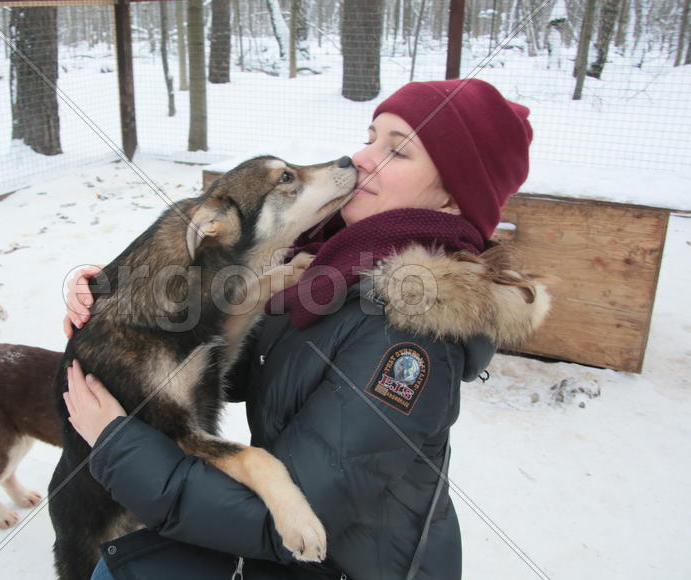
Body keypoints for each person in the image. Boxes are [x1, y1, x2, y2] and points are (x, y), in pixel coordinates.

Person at [62, 78, 550, 580]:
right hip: (289, 546)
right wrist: (126, 316)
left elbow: (284, 519)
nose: (362, 157)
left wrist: (116, 444)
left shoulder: (407, 334)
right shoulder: (333, 271)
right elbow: (244, 372)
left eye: (397, 151)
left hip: (329, 561)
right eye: (371, 136)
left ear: (452, 201)